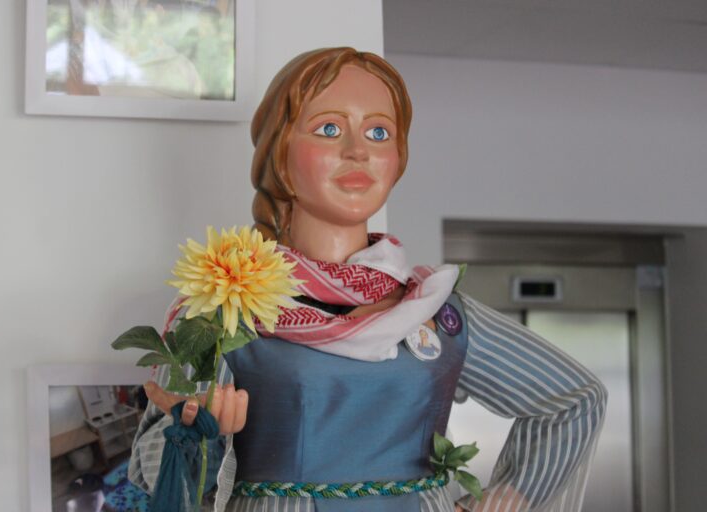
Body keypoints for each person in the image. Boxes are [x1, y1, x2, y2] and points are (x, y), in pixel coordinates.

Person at [127, 48, 608, 512]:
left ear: (398, 157)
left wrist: (499, 504)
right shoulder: (222, 309)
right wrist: (195, 432)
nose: (358, 151)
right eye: (329, 129)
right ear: (279, 151)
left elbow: (574, 401)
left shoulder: (435, 310)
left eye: (379, 133)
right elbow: (153, 472)